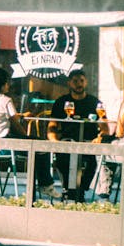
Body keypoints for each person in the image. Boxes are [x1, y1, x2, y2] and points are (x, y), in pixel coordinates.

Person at [0, 67, 56, 197]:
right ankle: (45, 185)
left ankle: (40, 188)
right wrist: (26, 137)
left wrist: (21, 115)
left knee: (35, 148)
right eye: (7, 82)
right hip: (3, 147)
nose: (9, 85)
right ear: (1, 84)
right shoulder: (5, 99)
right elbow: (15, 124)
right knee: (41, 145)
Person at [47, 68, 108, 202]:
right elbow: (52, 126)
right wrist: (56, 143)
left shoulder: (95, 102)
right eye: (75, 81)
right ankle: (70, 191)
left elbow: (105, 128)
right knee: (62, 160)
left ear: (86, 82)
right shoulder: (61, 101)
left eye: (81, 81)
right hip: (67, 143)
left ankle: (79, 191)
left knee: (92, 163)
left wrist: (100, 138)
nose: (79, 84)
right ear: (69, 83)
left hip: (89, 143)